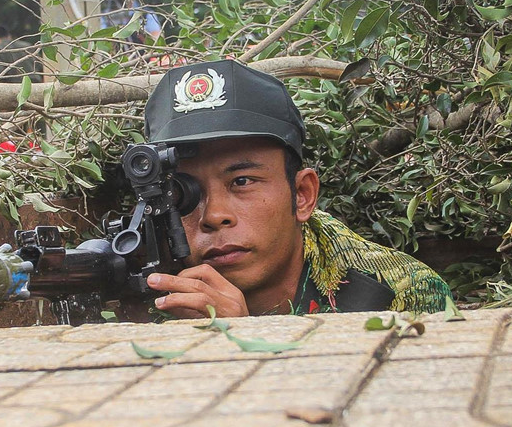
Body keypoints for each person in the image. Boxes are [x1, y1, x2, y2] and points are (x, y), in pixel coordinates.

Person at [140, 59, 452, 318]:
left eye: (242, 181)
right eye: (184, 191)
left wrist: (240, 341)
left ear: (302, 195)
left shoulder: (397, 293)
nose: (214, 215)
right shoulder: (147, 285)